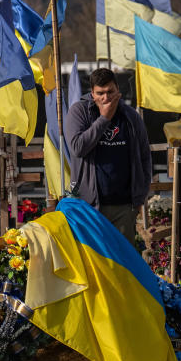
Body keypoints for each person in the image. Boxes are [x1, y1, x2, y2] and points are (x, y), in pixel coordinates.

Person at [64, 68, 151, 241]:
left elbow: (144, 156)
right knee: (94, 260)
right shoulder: (79, 111)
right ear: (92, 93)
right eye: (100, 93)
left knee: (122, 262)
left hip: (124, 206)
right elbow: (78, 148)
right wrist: (104, 118)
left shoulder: (130, 116)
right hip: (90, 205)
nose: (106, 98)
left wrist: (141, 195)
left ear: (118, 89)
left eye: (110, 92)